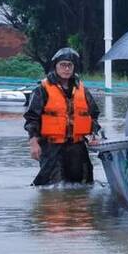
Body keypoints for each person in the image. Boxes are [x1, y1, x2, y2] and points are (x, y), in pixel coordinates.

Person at [24, 47, 101, 186]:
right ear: (55, 67)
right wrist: (33, 143)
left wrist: (93, 135)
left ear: (74, 68)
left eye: (69, 65)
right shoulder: (42, 89)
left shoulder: (82, 89)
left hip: (77, 147)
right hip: (51, 147)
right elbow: (32, 118)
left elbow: (93, 115)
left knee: (82, 185)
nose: (66, 69)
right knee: (50, 187)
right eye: (63, 65)